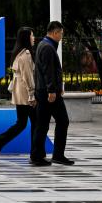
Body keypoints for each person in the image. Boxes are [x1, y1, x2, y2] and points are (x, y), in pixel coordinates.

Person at [0, 27, 37, 161]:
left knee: (22, 123)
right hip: (26, 94)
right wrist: (32, 94)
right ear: (26, 38)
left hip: (20, 93)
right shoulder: (26, 55)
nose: (34, 38)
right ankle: (36, 154)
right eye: (32, 36)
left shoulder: (18, 53)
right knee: (35, 123)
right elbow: (28, 77)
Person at [32, 21, 73, 166]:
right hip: (48, 93)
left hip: (43, 91)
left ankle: (37, 155)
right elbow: (48, 71)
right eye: (61, 33)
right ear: (55, 33)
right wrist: (52, 90)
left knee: (42, 124)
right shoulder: (48, 47)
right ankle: (57, 155)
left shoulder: (43, 45)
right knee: (62, 121)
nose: (61, 36)